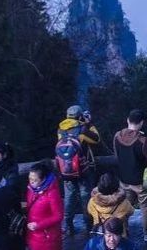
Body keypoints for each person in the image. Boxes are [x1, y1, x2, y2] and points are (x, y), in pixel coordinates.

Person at [113, 110, 147, 247]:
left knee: (124, 207)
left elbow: (116, 155)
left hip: (124, 180)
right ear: (142, 122)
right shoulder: (143, 141)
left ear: (127, 120)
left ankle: (124, 230)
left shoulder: (117, 136)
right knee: (146, 208)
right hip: (141, 182)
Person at [56, 106, 100, 237]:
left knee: (69, 199)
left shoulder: (60, 130)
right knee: (86, 199)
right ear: (80, 116)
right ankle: (89, 228)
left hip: (66, 171)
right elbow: (97, 139)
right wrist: (89, 123)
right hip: (83, 171)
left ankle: (69, 226)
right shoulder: (82, 130)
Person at [25, 161, 64, 250]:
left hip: (47, 237)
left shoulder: (52, 193)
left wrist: (39, 225)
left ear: (43, 179)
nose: (31, 182)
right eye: (30, 179)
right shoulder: (31, 189)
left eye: (35, 180)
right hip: (33, 234)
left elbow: (58, 216)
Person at [87, 173, 135, 238]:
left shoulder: (92, 201)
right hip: (118, 235)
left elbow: (89, 211)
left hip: (101, 233)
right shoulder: (123, 202)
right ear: (116, 186)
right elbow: (131, 212)